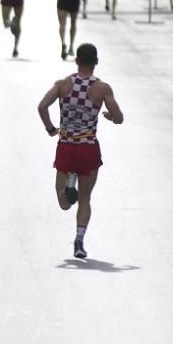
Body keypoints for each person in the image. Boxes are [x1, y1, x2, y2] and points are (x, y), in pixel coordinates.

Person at [37, 44, 124, 259]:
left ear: (76, 61)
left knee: (64, 203)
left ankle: (68, 185)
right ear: (96, 62)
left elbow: (42, 106)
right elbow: (119, 117)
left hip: (66, 145)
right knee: (85, 198)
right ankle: (79, 240)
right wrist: (110, 117)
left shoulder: (62, 85)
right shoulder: (102, 89)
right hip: (88, 147)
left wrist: (50, 129)